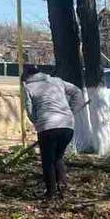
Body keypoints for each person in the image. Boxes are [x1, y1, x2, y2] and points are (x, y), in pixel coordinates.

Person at [22, 68, 86, 200]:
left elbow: (29, 110)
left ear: (25, 78)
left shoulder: (28, 87)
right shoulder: (57, 81)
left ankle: (51, 193)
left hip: (47, 127)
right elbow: (77, 92)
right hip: (67, 125)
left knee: (48, 161)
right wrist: (71, 110)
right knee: (58, 157)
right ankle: (63, 188)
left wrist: (38, 121)